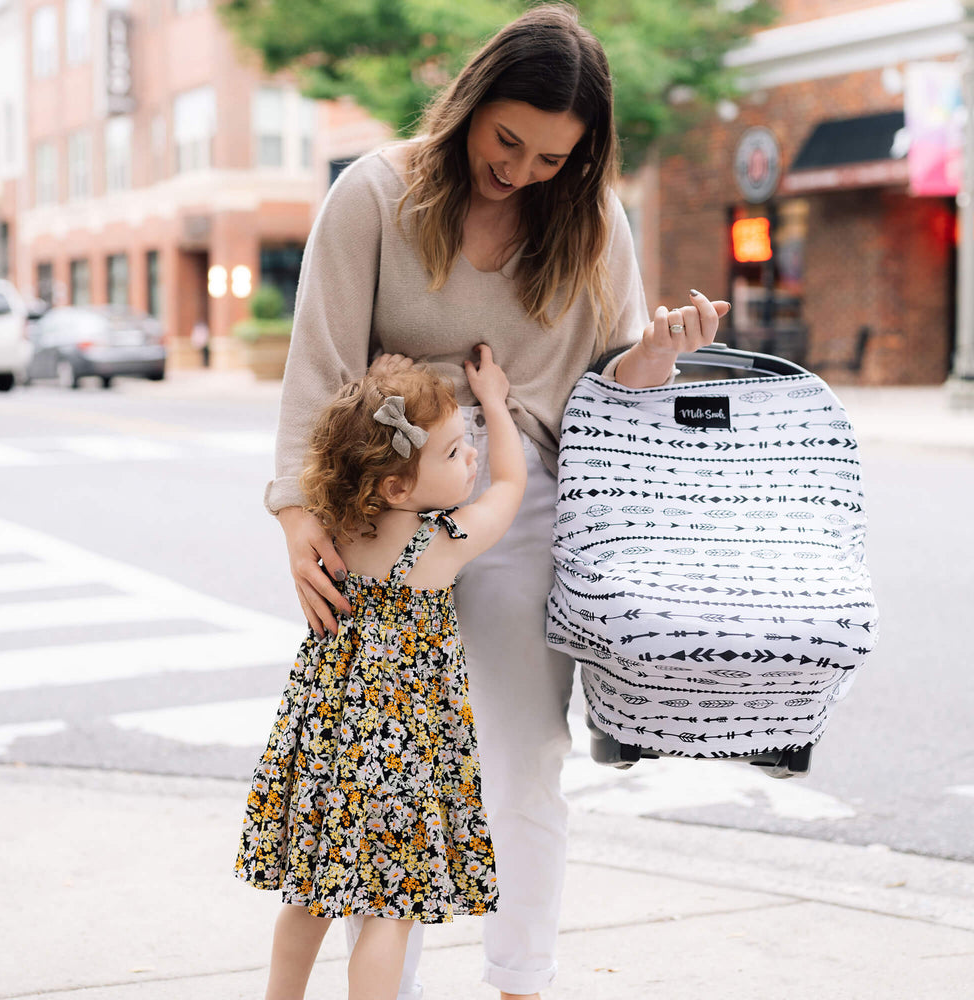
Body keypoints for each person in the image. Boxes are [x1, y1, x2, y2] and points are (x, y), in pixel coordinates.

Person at [265, 5, 729, 996]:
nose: (518, 170)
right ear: (472, 103)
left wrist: (653, 357)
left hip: (520, 493)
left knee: (521, 754)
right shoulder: (376, 194)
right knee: (385, 759)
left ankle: (522, 978)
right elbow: (319, 361)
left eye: (551, 158)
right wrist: (301, 514)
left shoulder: (595, 221)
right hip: (386, 489)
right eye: (506, 139)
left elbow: (608, 390)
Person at [236, 347, 527, 1000]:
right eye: (454, 453)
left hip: (324, 747)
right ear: (399, 488)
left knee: (310, 894)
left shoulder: (332, 533)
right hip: (400, 759)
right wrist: (498, 406)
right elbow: (509, 487)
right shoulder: (441, 543)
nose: (470, 458)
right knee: (388, 912)